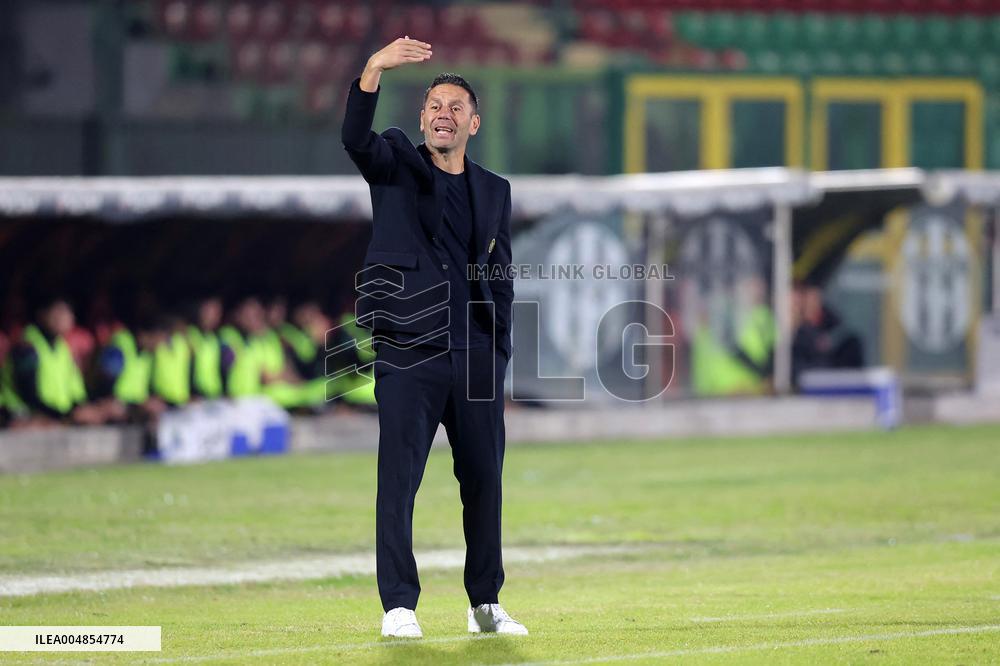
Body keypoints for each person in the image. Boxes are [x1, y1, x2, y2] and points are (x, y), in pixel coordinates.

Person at [342, 37, 522, 638]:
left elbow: (500, 274)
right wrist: (373, 70)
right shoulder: (396, 162)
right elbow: (355, 140)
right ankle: (399, 606)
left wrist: (498, 352)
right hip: (408, 350)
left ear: (474, 121)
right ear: (421, 119)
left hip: (473, 358)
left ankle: (485, 604)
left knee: (485, 484)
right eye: (433, 106)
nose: (443, 113)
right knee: (398, 482)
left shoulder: (494, 189)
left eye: (454, 106)